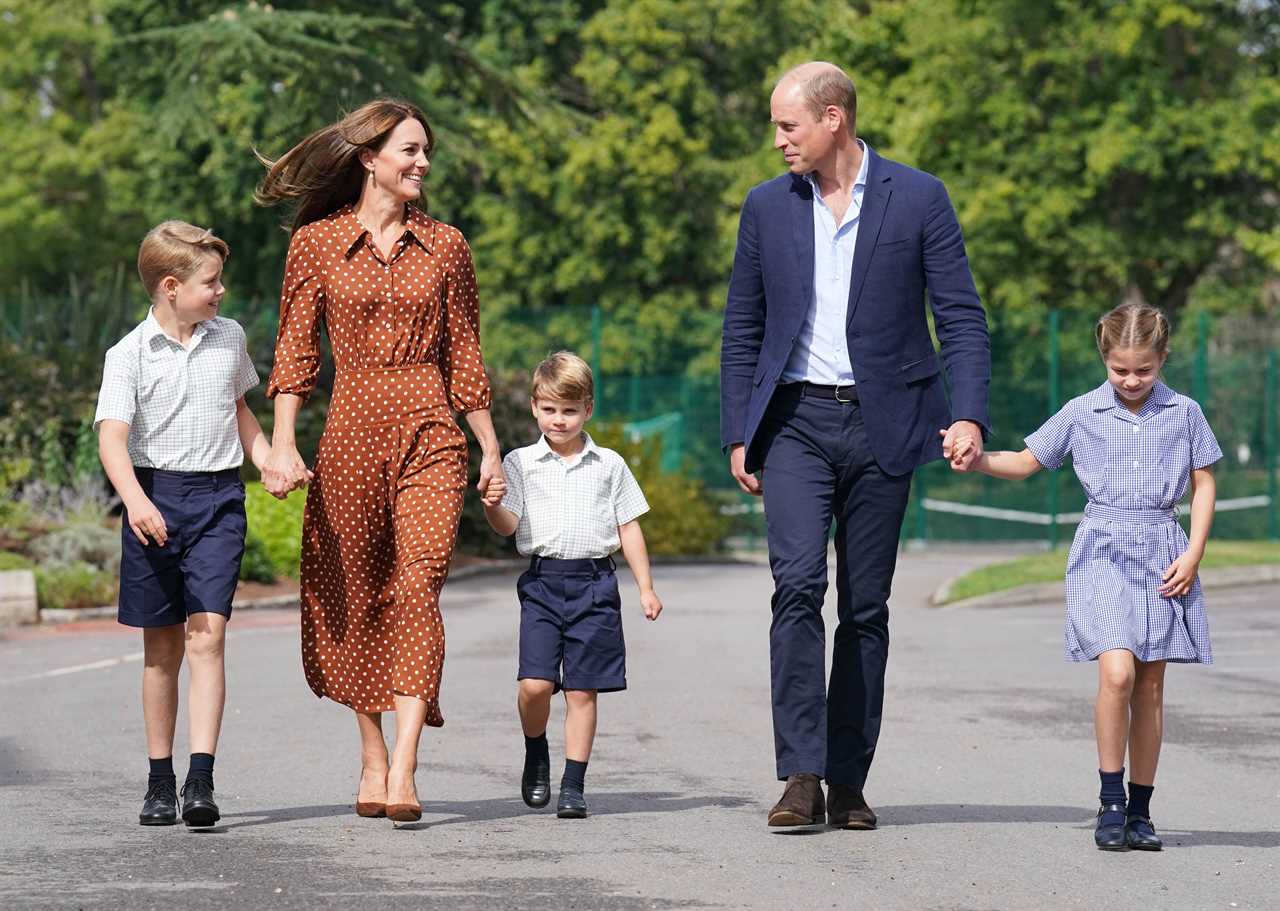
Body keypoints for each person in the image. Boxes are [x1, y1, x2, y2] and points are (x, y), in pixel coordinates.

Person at [720, 61, 991, 829]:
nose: (778, 140)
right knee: (797, 587)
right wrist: (740, 429)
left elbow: (962, 317)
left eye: (788, 124)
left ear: (833, 118)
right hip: (797, 423)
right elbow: (742, 328)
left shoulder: (920, 197)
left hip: (887, 424)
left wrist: (968, 413)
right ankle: (801, 774)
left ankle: (850, 778)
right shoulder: (766, 208)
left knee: (864, 606)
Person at [255, 98, 506, 824]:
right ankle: (370, 753)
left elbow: (465, 353)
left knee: (418, 584)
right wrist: (281, 442)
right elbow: (296, 354)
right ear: (369, 158)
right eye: (409, 150)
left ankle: (404, 767)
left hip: (431, 429)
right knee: (355, 591)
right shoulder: (316, 246)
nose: (423, 163)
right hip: (351, 431)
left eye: (426, 151)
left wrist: (489, 445)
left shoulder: (448, 245)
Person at [952, 303, 1220, 851]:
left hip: (1164, 551)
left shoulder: (1185, 412)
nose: (1130, 380)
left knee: (1149, 684)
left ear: (1162, 358)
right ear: (1105, 359)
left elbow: (1204, 484)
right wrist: (978, 459)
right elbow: (1027, 461)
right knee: (1117, 673)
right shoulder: (1083, 412)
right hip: (1102, 549)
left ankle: (1141, 812)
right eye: (1120, 369)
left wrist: (1193, 554)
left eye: (1143, 370)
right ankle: (1111, 802)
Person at [95, 221, 270, 827]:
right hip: (154, 500)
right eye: (211, 282)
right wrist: (136, 501)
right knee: (162, 647)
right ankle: (158, 780)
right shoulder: (128, 355)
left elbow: (241, 409)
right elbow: (112, 441)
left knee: (209, 634)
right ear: (171, 287)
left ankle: (201, 780)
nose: (220, 292)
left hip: (219, 499)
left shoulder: (230, 338)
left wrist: (268, 458)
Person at [483, 352, 663, 819]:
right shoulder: (520, 463)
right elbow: (507, 526)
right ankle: (536, 748)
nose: (558, 420)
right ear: (533, 407)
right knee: (535, 685)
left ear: (588, 409)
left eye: (569, 410)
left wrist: (645, 587)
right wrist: (490, 505)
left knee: (583, 690)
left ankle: (574, 784)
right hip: (544, 583)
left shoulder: (609, 464)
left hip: (595, 583)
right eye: (549, 409)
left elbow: (629, 527)